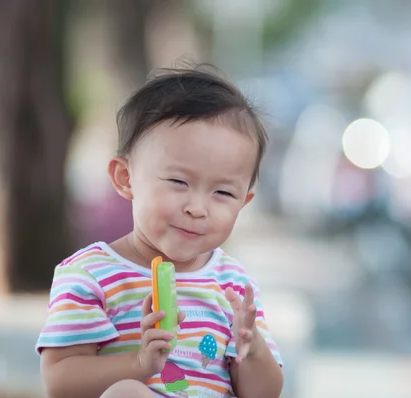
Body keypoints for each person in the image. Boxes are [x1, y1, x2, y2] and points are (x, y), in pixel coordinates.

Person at [36, 63, 284, 398]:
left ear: (244, 201)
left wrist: (251, 349)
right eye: (179, 182)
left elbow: (263, 393)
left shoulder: (232, 286)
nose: (197, 208)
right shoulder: (90, 276)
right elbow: (60, 382)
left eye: (223, 193)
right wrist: (139, 363)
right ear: (126, 178)